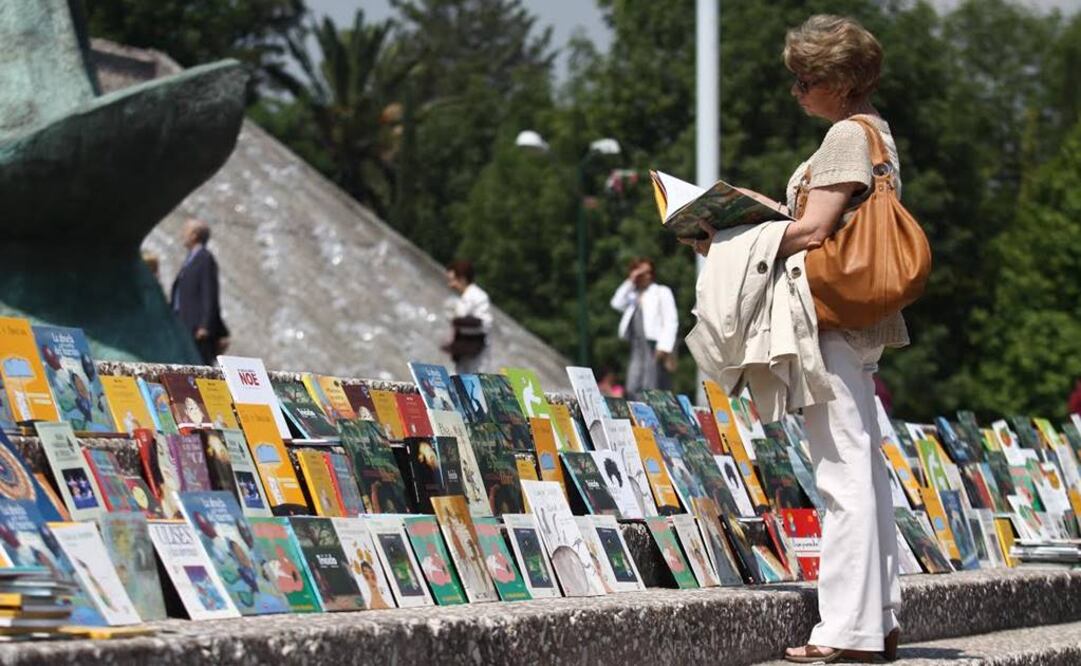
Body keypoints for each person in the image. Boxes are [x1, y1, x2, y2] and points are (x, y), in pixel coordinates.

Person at [688, 15, 906, 664]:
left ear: (838, 83)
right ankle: (878, 620)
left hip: (828, 317)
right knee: (861, 466)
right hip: (856, 317)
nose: (795, 90)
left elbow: (812, 233)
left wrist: (727, 239)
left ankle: (846, 632)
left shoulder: (844, 134)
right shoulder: (875, 133)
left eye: (804, 78)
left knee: (840, 471)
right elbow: (825, 222)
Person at [609, 258, 678, 398]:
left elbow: (671, 320)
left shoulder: (661, 292)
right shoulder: (632, 294)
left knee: (652, 384)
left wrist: (664, 346)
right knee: (633, 383)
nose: (646, 275)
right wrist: (631, 280)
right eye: (642, 272)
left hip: (654, 345)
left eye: (649, 272)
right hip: (636, 346)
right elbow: (616, 303)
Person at [170, 218, 230, 365]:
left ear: (194, 235)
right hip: (183, 321)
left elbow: (209, 293)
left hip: (196, 326)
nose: (182, 235)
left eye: (186, 232)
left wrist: (205, 325)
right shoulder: (190, 259)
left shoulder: (204, 258)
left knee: (198, 363)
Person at [442, 260, 493, 374]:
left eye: (452, 280)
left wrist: (461, 322)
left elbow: (485, 324)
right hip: (463, 351)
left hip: (476, 352)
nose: (450, 285)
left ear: (462, 279)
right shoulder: (462, 298)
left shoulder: (479, 296)